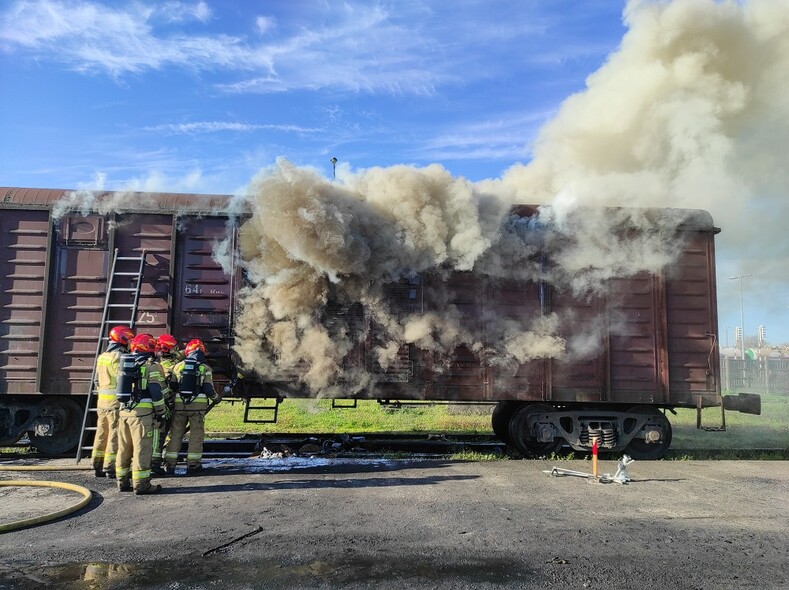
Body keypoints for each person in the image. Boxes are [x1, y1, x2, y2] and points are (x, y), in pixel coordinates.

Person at [115, 333, 168, 495]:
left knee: (123, 448)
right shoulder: (152, 367)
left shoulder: (125, 364)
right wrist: (161, 411)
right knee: (142, 449)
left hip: (124, 413)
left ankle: (122, 482)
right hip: (142, 416)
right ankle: (141, 484)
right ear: (149, 348)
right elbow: (157, 392)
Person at [162, 338, 222, 475]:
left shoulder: (178, 366)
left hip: (179, 406)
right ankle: (193, 465)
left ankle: (170, 465)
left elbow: (173, 386)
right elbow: (208, 389)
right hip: (197, 408)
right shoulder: (204, 368)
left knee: (175, 435)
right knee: (196, 436)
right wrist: (216, 398)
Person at [91, 325, 134, 479]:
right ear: (122, 340)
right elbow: (122, 378)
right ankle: (110, 467)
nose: (129, 344)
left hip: (101, 403)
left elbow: (96, 381)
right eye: (128, 340)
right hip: (115, 403)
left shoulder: (102, 356)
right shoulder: (118, 357)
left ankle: (97, 463)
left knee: (101, 432)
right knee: (115, 434)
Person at [151, 334, 182, 475]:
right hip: (165, 405)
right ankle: (154, 464)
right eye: (174, 347)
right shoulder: (169, 367)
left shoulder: (157, 363)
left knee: (160, 434)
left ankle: (155, 461)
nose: (177, 349)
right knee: (160, 435)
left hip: (162, 403)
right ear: (168, 350)